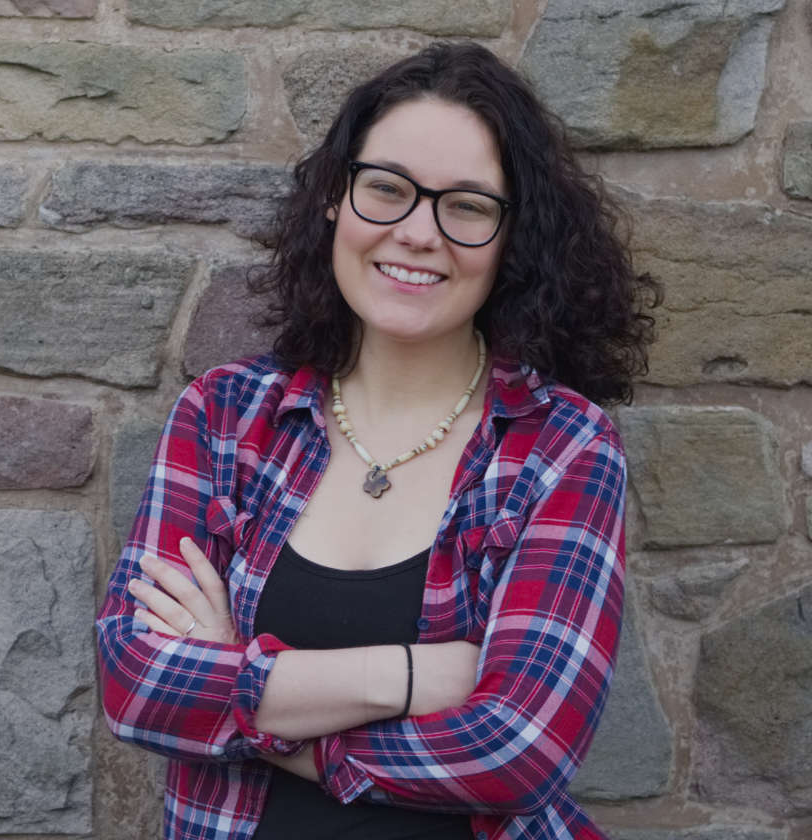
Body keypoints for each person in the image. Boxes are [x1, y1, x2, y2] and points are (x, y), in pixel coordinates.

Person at [96, 41, 659, 840]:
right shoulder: (225, 419)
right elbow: (138, 685)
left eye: (466, 205)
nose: (418, 232)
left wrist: (242, 688)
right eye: (387, 189)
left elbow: (523, 748)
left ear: (513, 237)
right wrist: (409, 676)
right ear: (335, 198)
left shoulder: (561, 447)